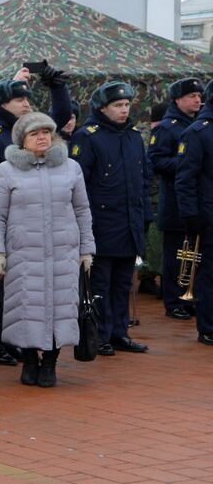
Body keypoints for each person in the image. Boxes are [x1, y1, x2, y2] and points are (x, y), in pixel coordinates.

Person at [0, 112, 95, 387]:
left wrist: (86, 250)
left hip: (63, 252)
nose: (42, 137)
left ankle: (50, 362)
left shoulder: (71, 167)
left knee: (60, 307)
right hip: (24, 254)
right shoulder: (6, 170)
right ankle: (29, 360)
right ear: (22, 140)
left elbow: (82, 210)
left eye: (46, 132)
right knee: (25, 307)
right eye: (34, 133)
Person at [71, 82, 153, 355]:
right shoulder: (88, 137)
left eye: (127, 105)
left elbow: (144, 179)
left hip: (129, 222)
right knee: (101, 284)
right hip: (102, 224)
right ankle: (100, 334)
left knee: (123, 283)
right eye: (118, 105)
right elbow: (79, 184)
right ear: (102, 108)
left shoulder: (133, 136)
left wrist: (144, 217)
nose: (124, 110)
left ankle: (119, 332)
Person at [152, 79, 203, 320]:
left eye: (199, 95)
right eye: (192, 96)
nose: (197, 100)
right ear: (177, 99)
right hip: (174, 202)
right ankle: (173, 301)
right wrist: (187, 163)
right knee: (175, 255)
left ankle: (189, 297)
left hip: (196, 201)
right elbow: (155, 160)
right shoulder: (167, 127)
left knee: (193, 254)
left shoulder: (199, 125)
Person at [176, 94, 213, 345]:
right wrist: (190, 214)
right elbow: (186, 179)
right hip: (209, 214)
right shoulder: (198, 132)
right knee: (209, 274)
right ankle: (209, 326)